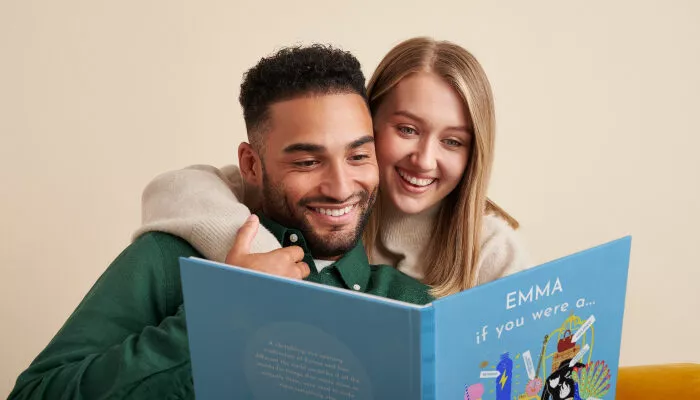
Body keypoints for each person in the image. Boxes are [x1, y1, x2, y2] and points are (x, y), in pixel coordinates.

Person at [9, 44, 432, 400]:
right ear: (251, 163)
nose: (341, 187)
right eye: (306, 161)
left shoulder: (413, 304)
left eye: (359, 156)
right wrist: (224, 310)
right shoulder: (167, 257)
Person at [136, 36, 531, 299]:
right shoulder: (319, 199)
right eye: (407, 129)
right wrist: (258, 258)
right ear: (365, 120)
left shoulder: (492, 248)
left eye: (453, 141)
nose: (424, 160)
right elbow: (178, 189)